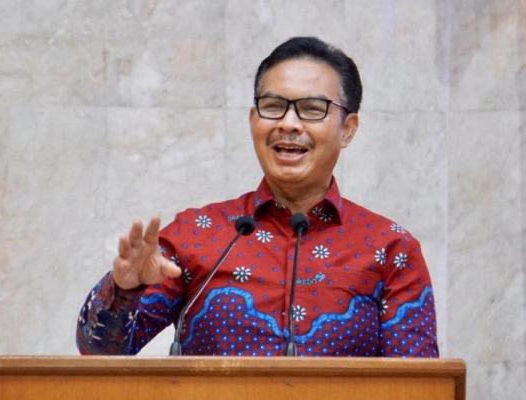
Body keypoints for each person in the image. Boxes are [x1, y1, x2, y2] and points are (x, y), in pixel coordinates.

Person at [77, 37, 439, 357]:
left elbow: (419, 387)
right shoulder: (198, 233)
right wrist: (124, 290)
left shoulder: (392, 249)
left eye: (312, 109)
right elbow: (98, 352)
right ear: (254, 120)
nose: (289, 123)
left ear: (348, 129)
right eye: (273, 106)